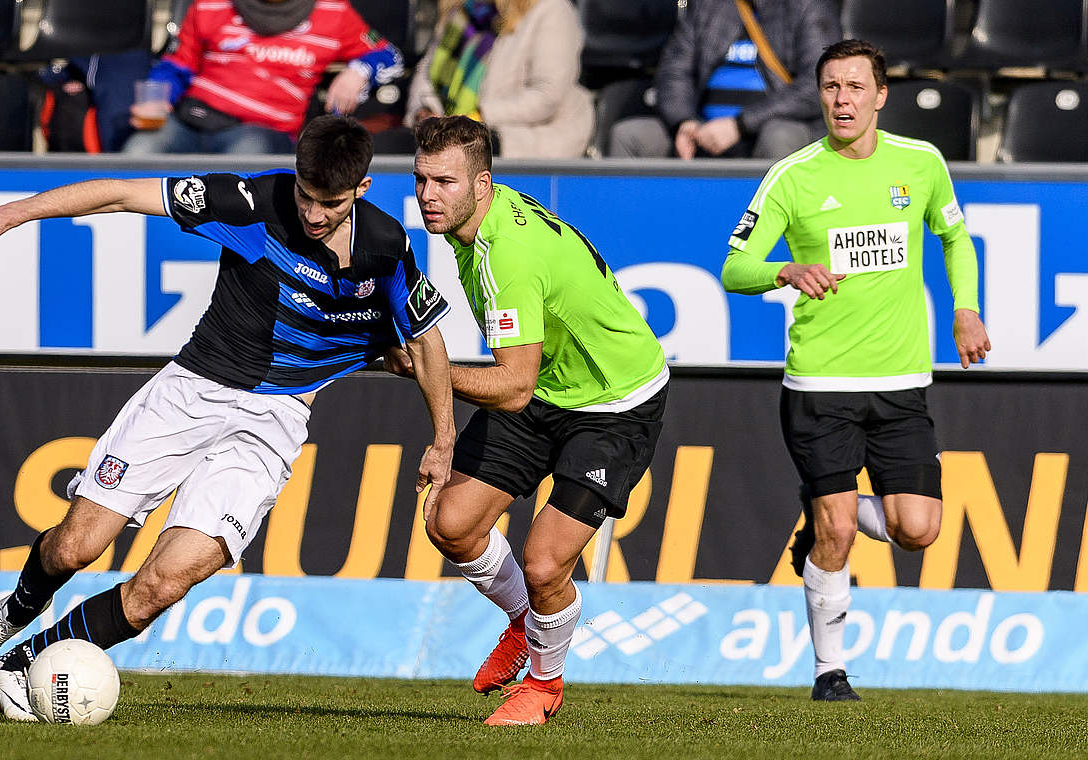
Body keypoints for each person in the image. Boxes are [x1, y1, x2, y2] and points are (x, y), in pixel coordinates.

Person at [0, 115, 455, 722]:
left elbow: (427, 340)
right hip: (193, 392)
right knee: (77, 547)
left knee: (164, 584)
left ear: (361, 190)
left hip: (275, 421)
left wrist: (443, 439)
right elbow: (123, 193)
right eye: (306, 196)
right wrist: (11, 215)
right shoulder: (252, 201)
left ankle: (27, 666)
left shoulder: (387, 247)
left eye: (329, 203)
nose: (313, 214)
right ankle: (19, 606)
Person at [720, 39, 991, 701]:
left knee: (917, 530)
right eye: (831, 87)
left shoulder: (921, 164)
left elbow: (955, 237)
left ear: (880, 95)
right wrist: (783, 269)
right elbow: (733, 268)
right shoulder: (794, 176)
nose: (842, 100)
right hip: (819, 387)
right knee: (839, 529)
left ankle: (821, 521)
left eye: (853, 87)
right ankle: (828, 672)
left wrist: (966, 311)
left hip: (901, 384)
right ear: (820, 96)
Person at [387, 116, 668, 725]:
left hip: (612, 404)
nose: (428, 196)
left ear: (482, 183)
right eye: (421, 180)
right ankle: (527, 620)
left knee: (544, 564)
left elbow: (510, 387)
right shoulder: (473, 225)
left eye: (444, 182)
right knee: (450, 522)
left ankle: (543, 685)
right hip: (546, 387)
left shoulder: (504, 254)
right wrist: (442, 438)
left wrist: (422, 369)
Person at [122, 0, 403, 155]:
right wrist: (158, 95)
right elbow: (176, 64)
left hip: (262, 132)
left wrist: (358, 72)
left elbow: (390, 56)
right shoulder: (211, 5)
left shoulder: (334, 12)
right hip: (191, 120)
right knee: (139, 150)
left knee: (242, 165)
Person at [608, 0, 839, 160]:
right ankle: (623, 230)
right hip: (701, 131)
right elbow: (674, 71)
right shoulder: (708, 5)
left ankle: (769, 227)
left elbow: (816, 83)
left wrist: (740, 125)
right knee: (629, 135)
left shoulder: (808, 6)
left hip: (767, 127)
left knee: (779, 137)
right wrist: (683, 122)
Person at [377, 0, 593, 159]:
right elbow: (426, 72)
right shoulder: (462, 11)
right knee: (379, 146)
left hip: (521, 137)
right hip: (449, 128)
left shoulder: (552, 10)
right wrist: (422, 110)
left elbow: (546, 95)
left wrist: (476, 117)